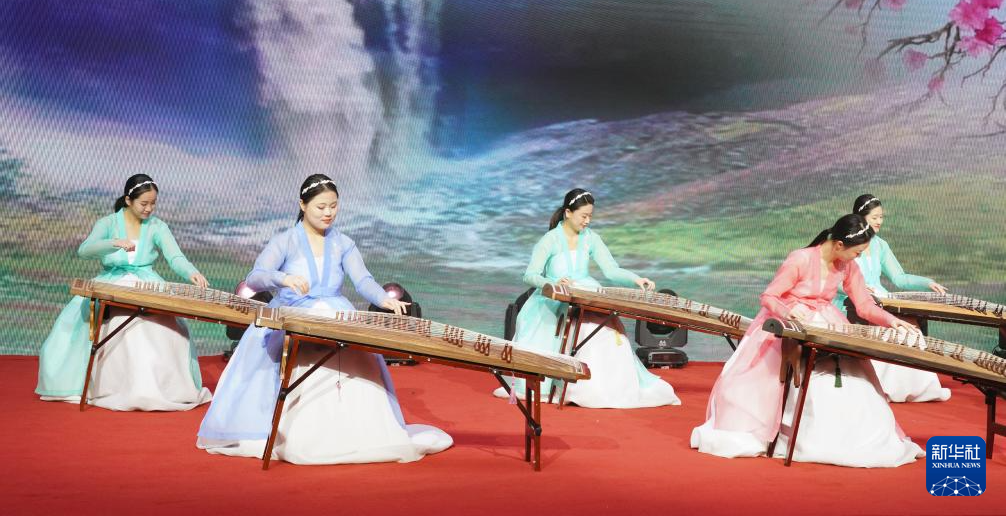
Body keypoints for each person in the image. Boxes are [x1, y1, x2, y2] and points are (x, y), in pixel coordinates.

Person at [197, 174, 452, 464]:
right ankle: (296, 432)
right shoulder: (285, 241)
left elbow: (363, 279)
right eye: (321, 207)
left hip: (335, 312)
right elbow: (255, 277)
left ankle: (358, 434)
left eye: (333, 206)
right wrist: (283, 278)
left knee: (359, 358)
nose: (328, 212)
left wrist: (384, 299)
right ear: (302, 205)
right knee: (290, 358)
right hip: (294, 313)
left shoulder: (343, 243)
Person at [691, 214, 924, 467]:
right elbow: (769, 296)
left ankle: (846, 438)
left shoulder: (846, 266)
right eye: (856, 253)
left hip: (826, 321)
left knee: (854, 374)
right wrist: (787, 311)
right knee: (772, 382)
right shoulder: (800, 259)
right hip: (789, 322)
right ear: (839, 245)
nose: (857, 258)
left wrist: (891, 321)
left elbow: (864, 305)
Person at [35, 174, 212, 410]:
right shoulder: (108, 223)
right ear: (128, 200)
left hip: (146, 283)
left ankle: (158, 389)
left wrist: (191, 272)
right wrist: (114, 243)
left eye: (153, 203)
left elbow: (175, 257)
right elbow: (84, 250)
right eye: (144, 203)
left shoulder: (157, 226)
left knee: (167, 328)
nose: (149, 209)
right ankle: (109, 387)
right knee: (115, 323)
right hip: (112, 282)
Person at [494, 189, 680, 408]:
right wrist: (552, 283)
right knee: (567, 328)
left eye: (590, 216)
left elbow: (611, 270)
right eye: (584, 216)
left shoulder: (591, 238)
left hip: (586, 291)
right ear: (568, 213)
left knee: (605, 328)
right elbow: (530, 275)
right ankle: (564, 384)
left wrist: (636, 279)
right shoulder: (550, 240)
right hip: (554, 297)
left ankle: (606, 389)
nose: (587, 221)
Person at [834, 194, 950, 402]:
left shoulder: (880, 245)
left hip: (880, 300)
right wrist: (856, 289)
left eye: (881, 217)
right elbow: (833, 280)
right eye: (875, 217)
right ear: (861, 218)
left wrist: (927, 282)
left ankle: (918, 388)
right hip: (850, 303)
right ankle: (882, 387)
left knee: (911, 328)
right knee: (889, 329)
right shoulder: (846, 242)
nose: (879, 221)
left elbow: (899, 278)